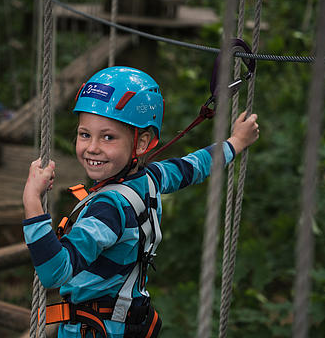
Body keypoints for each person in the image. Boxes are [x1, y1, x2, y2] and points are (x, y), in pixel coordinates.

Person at [22, 66, 259, 338]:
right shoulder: (151, 179)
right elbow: (195, 166)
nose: (92, 147)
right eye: (85, 134)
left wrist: (31, 201)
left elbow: (55, 272)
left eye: (108, 137)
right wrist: (236, 142)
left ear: (142, 142)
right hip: (123, 324)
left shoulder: (109, 209)